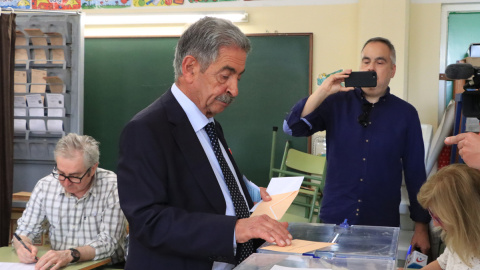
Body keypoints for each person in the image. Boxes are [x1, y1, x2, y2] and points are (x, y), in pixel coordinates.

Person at [116, 17, 292, 270]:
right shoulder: (146, 129)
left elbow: (212, 186)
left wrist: (249, 197)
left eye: (238, 78)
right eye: (225, 76)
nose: (234, 90)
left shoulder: (210, 124)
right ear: (190, 68)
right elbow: (148, 220)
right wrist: (236, 228)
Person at [283, 37, 430, 253]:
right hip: (335, 219)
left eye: (380, 62)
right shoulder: (335, 103)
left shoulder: (406, 114)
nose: (371, 67)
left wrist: (421, 225)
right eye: (366, 61)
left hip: (381, 225)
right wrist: (323, 91)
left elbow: (416, 172)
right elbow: (292, 128)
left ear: (392, 70)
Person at [13, 133, 127, 270]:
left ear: (93, 169)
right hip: (61, 266)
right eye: (61, 174)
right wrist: (22, 247)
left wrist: (70, 254)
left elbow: (108, 242)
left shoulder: (112, 186)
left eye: (74, 176)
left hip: (106, 266)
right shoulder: (45, 186)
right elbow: (24, 232)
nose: (66, 183)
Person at [417, 164, 480, 270]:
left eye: (439, 218)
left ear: (463, 217)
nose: (435, 224)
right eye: (432, 214)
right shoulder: (459, 237)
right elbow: (441, 263)